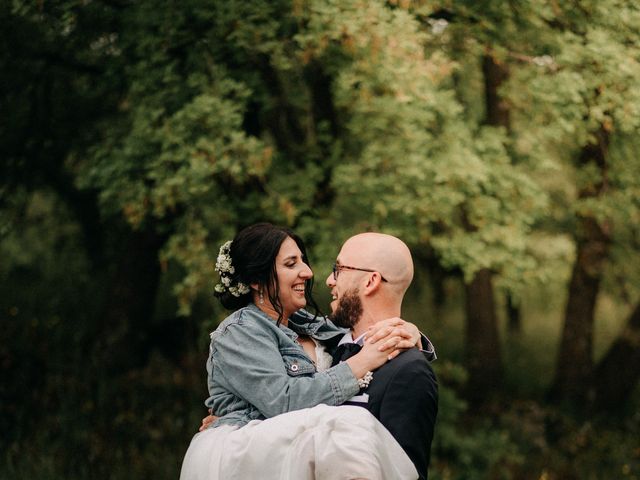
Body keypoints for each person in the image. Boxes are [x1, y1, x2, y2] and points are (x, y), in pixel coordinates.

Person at [180, 223, 424, 480]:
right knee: (350, 424)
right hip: (248, 455)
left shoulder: (309, 324)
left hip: (297, 456)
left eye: (303, 261)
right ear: (255, 279)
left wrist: (408, 330)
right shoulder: (237, 333)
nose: (307, 272)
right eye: (290, 264)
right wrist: (360, 364)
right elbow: (283, 401)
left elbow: (360, 335)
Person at [325, 233, 438, 480]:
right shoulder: (323, 347)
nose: (329, 280)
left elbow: (402, 474)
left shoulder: (409, 372)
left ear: (371, 281)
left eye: (338, 269)